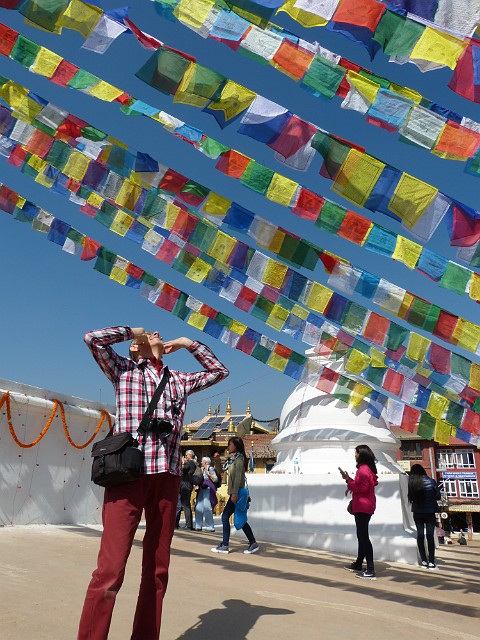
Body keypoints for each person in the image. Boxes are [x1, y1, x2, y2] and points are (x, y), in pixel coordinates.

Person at [77, 326, 228, 640]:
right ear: (134, 349)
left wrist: (187, 343)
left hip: (168, 477)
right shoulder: (124, 372)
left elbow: (219, 371)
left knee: (158, 572)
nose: (157, 333)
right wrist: (134, 331)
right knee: (111, 570)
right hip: (128, 475)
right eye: (144, 339)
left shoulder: (180, 380)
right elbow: (94, 339)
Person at [211, 436, 259, 555]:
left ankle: (226, 544)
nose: (228, 446)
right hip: (234, 492)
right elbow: (221, 471)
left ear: (236, 446)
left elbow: (238, 477)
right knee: (238, 519)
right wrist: (217, 460)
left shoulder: (239, 458)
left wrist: (235, 493)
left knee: (226, 517)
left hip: (237, 492)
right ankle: (252, 542)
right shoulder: (232, 459)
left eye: (230, 444)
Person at [340, 445, 379, 580]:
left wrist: (350, 484)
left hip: (363, 505)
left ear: (361, 454)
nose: (354, 455)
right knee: (361, 535)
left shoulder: (363, 470)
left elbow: (362, 488)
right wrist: (348, 479)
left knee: (363, 537)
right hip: (364, 505)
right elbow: (360, 486)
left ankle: (370, 569)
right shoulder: (365, 469)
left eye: (356, 453)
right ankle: (358, 563)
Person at [407, 464, 441, 569]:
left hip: (417, 512)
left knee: (420, 535)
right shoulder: (431, 481)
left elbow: (411, 498)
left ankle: (424, 560)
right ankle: (431, 561)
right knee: (430, 535)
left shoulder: (412, 484)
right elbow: (438, 496)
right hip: (430, 512)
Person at [195, 457, 218, 531]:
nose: (201, 462)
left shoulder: (210, 469)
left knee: (207, 507)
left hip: (208, 489)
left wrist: (209, 475)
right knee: (198, 507)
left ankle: (210, 526)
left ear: (205, 462)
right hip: (201, 489)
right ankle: (198, 525)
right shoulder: (202, 469)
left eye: (202, 461)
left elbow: (215, 479)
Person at [176, 450, 196, 530]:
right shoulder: (191, 463)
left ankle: (189, 525)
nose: (185, 457)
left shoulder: (190, 463)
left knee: (185, 505)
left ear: (190, 455)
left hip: (186, 485)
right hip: (184, 485)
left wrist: (183, 463)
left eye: (186, 455)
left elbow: (183, 468)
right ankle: (176, 523)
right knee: (179, 505)